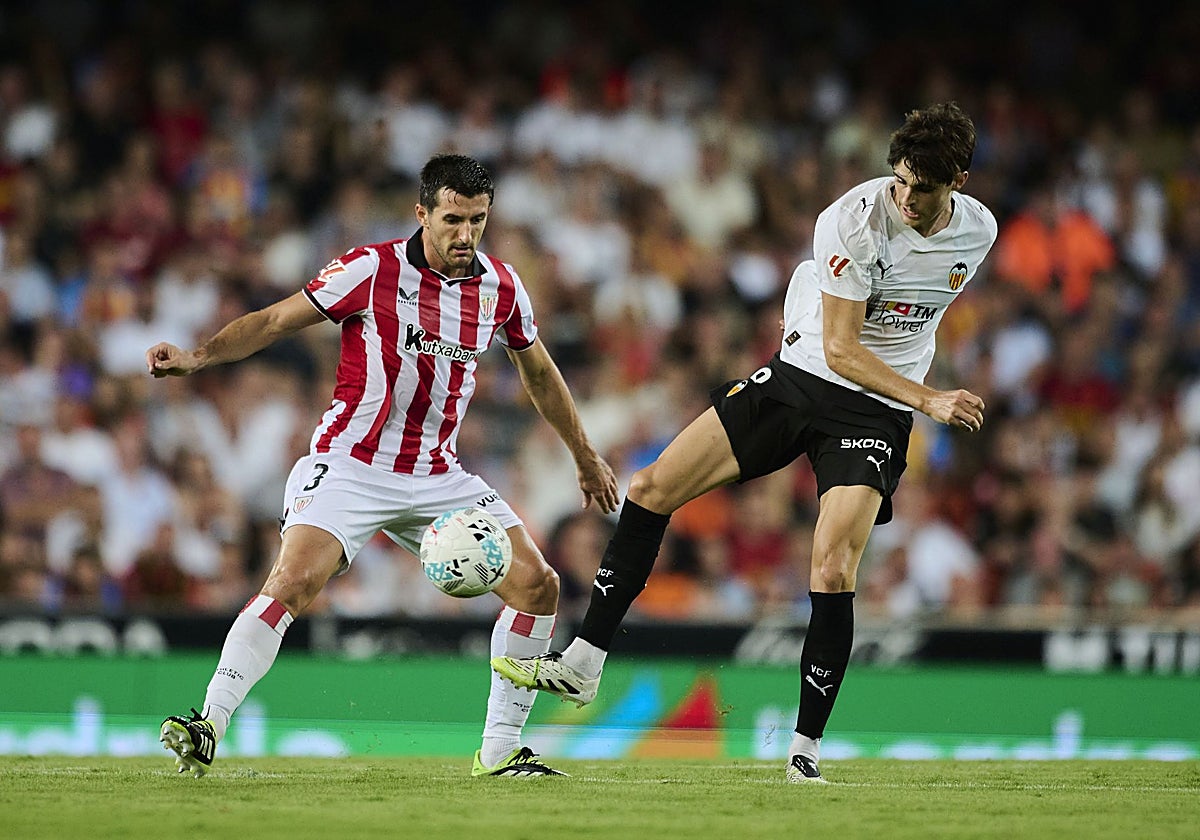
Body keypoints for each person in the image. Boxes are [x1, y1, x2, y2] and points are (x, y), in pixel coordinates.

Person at [492, 103, 997, 783]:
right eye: (900, 181)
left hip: (875, 412)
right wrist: (931, 396)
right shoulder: (850, 220)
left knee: (833, 569)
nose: (906, 198)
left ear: (958, 182)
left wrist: (911, 388)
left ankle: (804, 753)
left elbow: (912, 320)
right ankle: (583, 662)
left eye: (924, 189)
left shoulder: (978, 233)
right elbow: (844, 349)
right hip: (806, 375)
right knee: (649, 488)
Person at [148, 153, 619, 778]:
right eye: (453, 219)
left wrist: (585, 456)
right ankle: (209, 723)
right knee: (293, 582)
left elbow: (538, 373)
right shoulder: (371, 270)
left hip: (437, 475)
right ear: (422, 212)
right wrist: (198, 358)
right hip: (351, 463)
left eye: (478, 221)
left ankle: (500, 751)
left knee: (541, 587)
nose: (465, 235)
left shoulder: (502, 287)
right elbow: (273, 321)